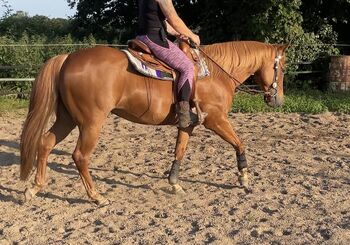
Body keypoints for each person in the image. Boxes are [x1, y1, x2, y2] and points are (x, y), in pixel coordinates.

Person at [136, 0, 201, 129]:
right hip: (154, 38)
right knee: (187, 67)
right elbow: (174, 19)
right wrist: (193, 36)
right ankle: (183, 114)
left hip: (143, 36)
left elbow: (162, 21)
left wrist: (178, 34)